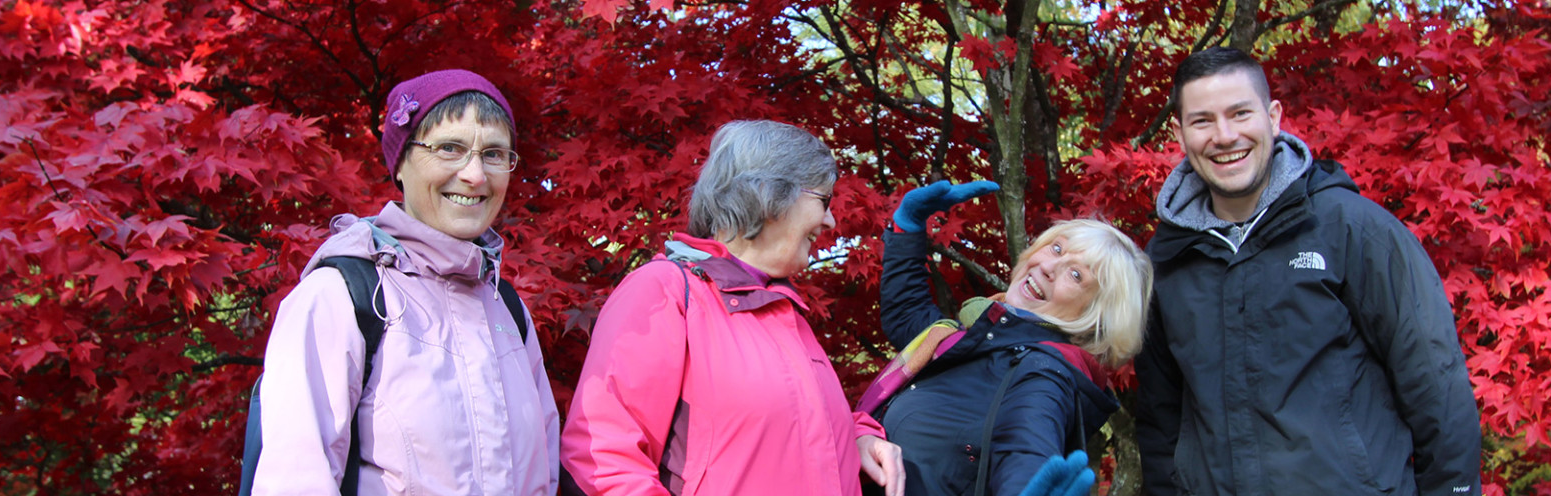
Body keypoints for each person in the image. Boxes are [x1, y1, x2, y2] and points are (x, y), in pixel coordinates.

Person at [1133, 47, 1483, 495]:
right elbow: (1161, 422)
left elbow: (1436, 386)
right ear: (1180, 132)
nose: (1224, 136)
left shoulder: (1351, 229)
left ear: (1273, 116)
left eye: (1240, 113)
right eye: (1203, 121)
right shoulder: (1166, 261)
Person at [252, 69, 557, 495]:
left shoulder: (507, 308)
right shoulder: (343, 297)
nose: (475, 174)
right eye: (449, 148)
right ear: (400, 165)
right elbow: (294, 480)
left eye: (493, 154)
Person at [559, 120, 905, 496]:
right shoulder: (665, 291)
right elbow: (603, 462)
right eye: (823, 200)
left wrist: (856, 438)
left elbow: (783, 427)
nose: (830, 219)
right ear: (769, 194)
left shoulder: (784, 311)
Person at [867, 181, 1151, 496]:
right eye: (1057, 249)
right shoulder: (981, 337)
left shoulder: (1045, 369)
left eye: (1076, 275)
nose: (1049, 267)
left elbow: (1028, 444)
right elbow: (909, 317)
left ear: (1095, 316)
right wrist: (907, 227)